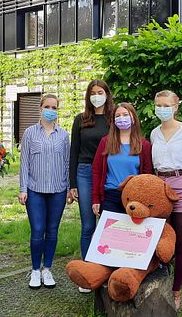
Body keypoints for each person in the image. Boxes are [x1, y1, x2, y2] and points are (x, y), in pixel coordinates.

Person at [150, 90, 182, 311]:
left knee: (180, 242)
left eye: (166, 105)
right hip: (160, 187)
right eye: (158, 105)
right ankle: (159, 279)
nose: (162, 108)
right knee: (160, 239)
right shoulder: (153, 133)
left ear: (176, 106)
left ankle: (176, 290)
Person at [18, 94, 70, 289]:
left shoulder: (64, 135)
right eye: (47, 106)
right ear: (40, 108)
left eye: (54, 107)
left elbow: (67, 163)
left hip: (58, 190)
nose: (51, 110)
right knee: (38, 230)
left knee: (52, 231)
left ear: (57, 110)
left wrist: (68, 188)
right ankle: (34, 270)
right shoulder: (30, 133)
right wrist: (23, 189)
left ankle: (47, 269)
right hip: (35, 190)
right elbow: (24, 164)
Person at [68, 79, 113, 292]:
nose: (96, 96)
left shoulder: (115, 118)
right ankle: (87, 271)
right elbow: (73, 152)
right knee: (88, 224)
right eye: (93, 92)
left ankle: (106, 267)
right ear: (88, 96)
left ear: (107, 94)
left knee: (108, 223)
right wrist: (72, 184)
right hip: (85, 172)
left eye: (100, 92)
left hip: (107, 172)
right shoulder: (81, 119)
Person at [92, 102, 153, 216]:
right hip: (110, 196)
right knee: (110, 233)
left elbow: (147, 176)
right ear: (113, 121)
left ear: (133, 118)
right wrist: (95, 199)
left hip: (135, 198)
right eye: (118, 116)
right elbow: (97, 171)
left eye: (125, 114)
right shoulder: (106, 142)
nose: (121, 118)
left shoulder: (144, 145)